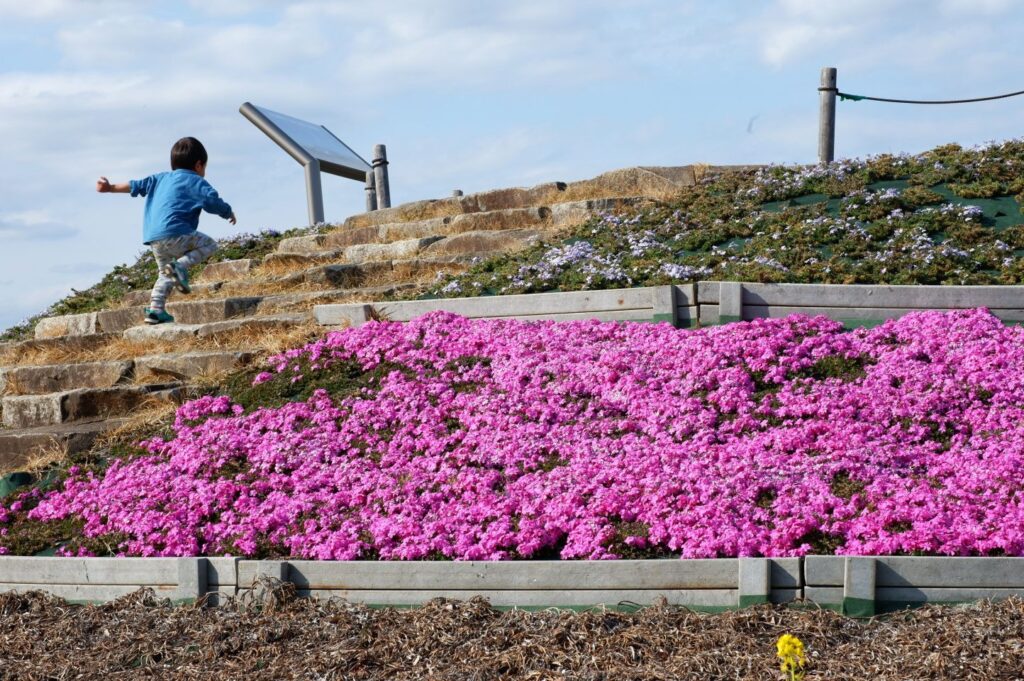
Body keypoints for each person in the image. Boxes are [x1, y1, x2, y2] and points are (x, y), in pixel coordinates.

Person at [96, 136, 237, 324]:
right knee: (210, 244)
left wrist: (110, 188)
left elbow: (134, 185)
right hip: (178, 233)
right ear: (199, 165)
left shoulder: (159, 179)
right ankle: (180, 266)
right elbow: (212, 203)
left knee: (164, 274)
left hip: (155, 239)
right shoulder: (197, 181)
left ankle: (156, 311)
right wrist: (228, 212)